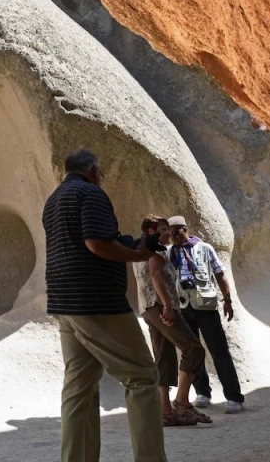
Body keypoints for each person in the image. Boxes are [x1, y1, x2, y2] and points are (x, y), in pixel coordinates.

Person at [42, 149, 165, 462]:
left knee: (79, 388)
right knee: (142, 377)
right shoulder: (90, 193)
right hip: (97, 302)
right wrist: (140, 255)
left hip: (64, 302)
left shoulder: (54, 200)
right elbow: (96, 243)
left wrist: (127, 242)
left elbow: (91, 241)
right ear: (94, 172)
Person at [133, 216, 210, 426]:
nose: (168, 234)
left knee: (164, 356)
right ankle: (182, 404)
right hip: (159, 307)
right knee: (193, 349)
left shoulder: (140, 249)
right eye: (164, 230)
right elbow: (155, 274)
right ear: (151, 231)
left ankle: (165, 412)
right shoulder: (156, 251)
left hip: (147, 307)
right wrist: (167, 305)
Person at [168, 215, 246, 413]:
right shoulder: (170, 253)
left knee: (219, 350)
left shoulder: (204, 248)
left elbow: (220, 274)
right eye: (171, 233)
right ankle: (202, 392)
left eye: (178, 231)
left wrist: (227, 300)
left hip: (205, 306)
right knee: (193, 351)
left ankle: (234, 397)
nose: (175, 236)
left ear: (186, 229)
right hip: (183, 306)